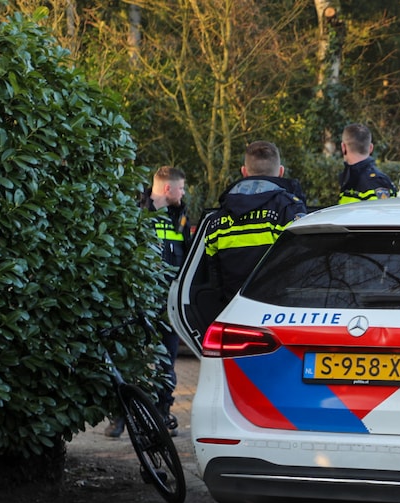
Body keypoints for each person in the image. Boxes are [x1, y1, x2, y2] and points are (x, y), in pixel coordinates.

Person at [107, 166, 188, 438]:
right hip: (138, 303)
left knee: (166, 363)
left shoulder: (180, 216)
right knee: (128, 359)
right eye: (181, 188)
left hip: (167, 306)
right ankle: (120, 417)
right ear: (167, 188)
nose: (183, 193)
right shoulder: (136, 213)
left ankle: (163, 414)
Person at [206, 140, 308, 305]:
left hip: (233, 310)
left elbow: (214, 276)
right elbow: (301, 264)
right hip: (278, 309)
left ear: (244, 172)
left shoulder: (217, 219)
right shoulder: (288, 209)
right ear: (281, 172)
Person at [337, 123, 397, 204]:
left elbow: (381, 212)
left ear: (343, 147)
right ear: (371, 148)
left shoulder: (375, 181)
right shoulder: (349, 179)